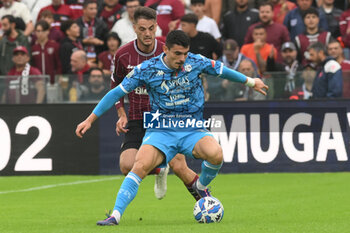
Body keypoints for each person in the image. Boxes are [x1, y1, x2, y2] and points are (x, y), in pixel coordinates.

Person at [75, 29, 268, 226]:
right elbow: (116, 93)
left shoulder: (196, 61)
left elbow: (222, 71)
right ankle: (114, 216)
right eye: (177, 54)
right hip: (161, 130)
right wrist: (90, 119)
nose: (182, 58)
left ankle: (200, 186)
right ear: (165, 49)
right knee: (138, 166)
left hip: (191, 128)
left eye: (185, 53)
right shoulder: (147, 69)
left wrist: (251, 82)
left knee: (216, 154)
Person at [111, 7, 201, 201]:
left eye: (151, 28)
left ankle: (206, 201)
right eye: (142, 29)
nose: (147, 34)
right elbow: (115, 85)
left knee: (180, 166)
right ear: (134, 28)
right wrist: (121, 113)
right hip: (136, 116)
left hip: (165, 117)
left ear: (156, 27)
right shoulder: (123, 55)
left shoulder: (166, 49)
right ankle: (160, 168)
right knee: (127, 165)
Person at [31, 20, 62, 84]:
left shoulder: (55, 46)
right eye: (38, 31)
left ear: (48, 31)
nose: (40, 33)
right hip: (38, 83)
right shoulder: (33, 48)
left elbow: (59, 64)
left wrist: (58, 77)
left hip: (52, 82)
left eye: (43, 31)